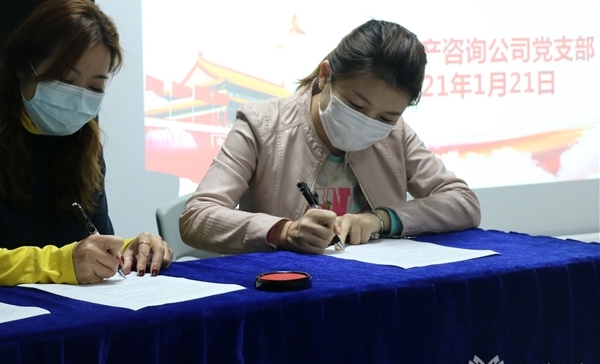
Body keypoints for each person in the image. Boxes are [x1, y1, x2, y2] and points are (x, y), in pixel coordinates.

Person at [0, 0, 172, 288]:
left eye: (95, 87)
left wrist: (129, 249)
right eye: (66, 81)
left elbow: (93, 245)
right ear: (21, 68)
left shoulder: (84, 148)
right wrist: (56, 264)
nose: (78, 99)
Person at [180, 19, 480, 255]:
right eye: (356, 105)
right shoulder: (262, 125)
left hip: (373, 285)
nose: (368, 123)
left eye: (386, 118)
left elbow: (462, 203)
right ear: (325, 76)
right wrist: (285, 231)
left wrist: (380, 219)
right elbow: (197, 216)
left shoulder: (396, 134)